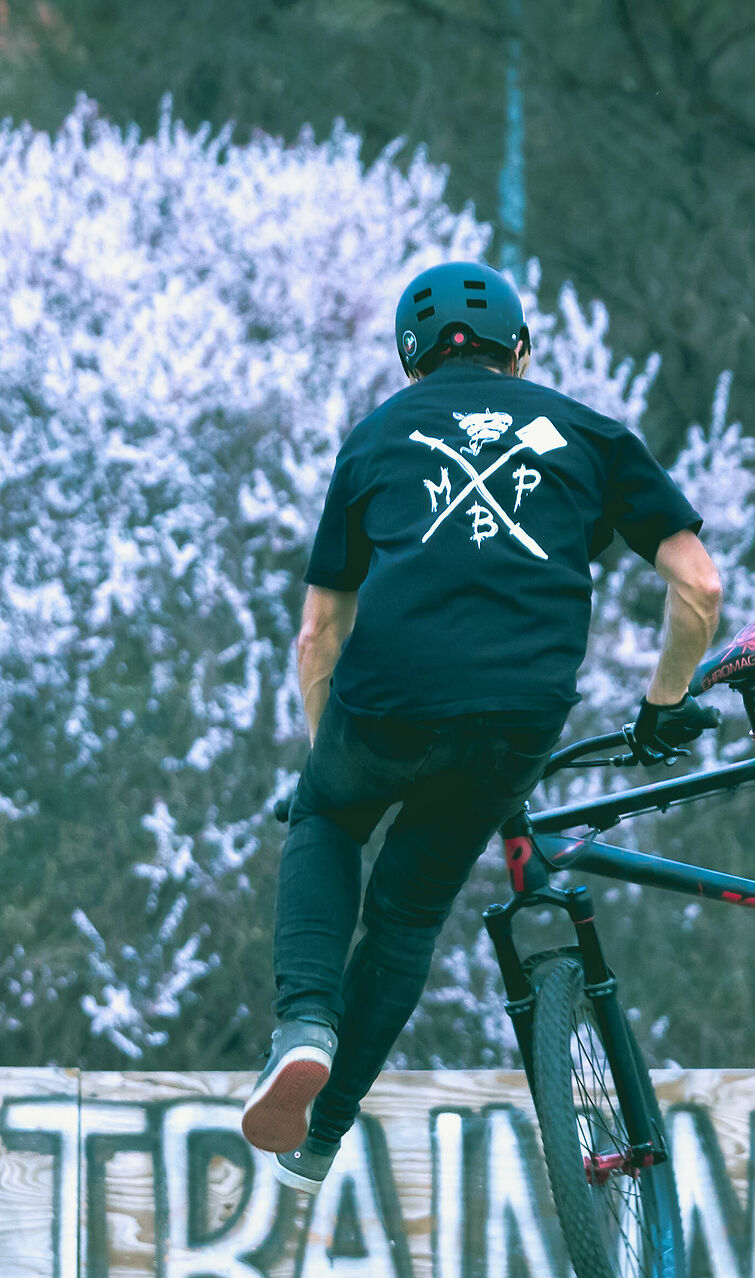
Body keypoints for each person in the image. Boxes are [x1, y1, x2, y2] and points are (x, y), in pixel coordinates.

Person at [242, 260, 726, 1192]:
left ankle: (304, 1027)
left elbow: (317, 636)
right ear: (524, 349)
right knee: (408, 913)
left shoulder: (375, 437)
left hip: (388, 697)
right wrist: (663, 706)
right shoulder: (586, 432)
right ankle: (321, 1137)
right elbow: (698, 585)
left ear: (408, 362)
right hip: (517, 715)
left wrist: (329, 771)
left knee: (330, 819)